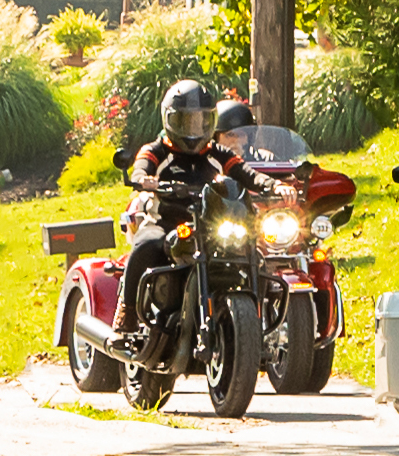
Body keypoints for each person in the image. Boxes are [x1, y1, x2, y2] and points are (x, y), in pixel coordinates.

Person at [112, 81, 296, 338]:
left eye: (201, 121)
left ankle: (260, 323)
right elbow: (142, 167)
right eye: (186, 122)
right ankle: (127, 308)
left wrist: (274, 184)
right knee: (146, 244)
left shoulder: (217, 153)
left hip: (212, 224)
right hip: (168, 223)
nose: (194, 129)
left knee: (257, 254)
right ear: (169, 120)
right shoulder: (157, 149)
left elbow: (246, 174)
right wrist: (144, 179)